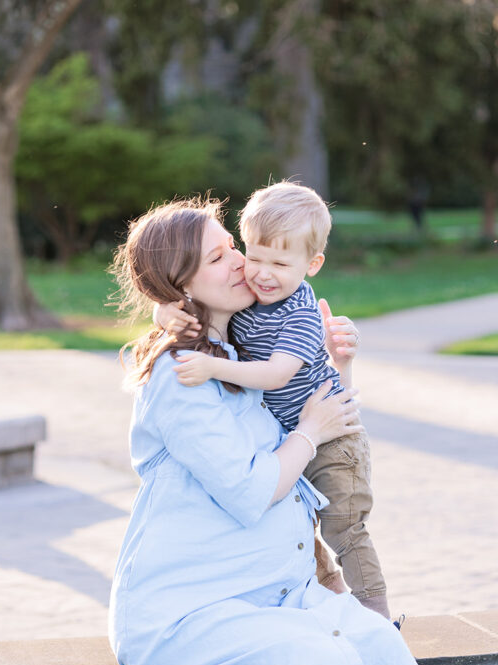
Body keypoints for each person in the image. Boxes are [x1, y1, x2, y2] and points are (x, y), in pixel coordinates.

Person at [109, 197, 424, 665]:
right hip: (190, 611)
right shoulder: (180, 377)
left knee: (380, 651)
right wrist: (311, 429)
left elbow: (319, 419)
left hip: (268, 595)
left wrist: (336, 366)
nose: (241, 263)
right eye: (220, 257)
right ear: (180, 286)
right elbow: (256, 488)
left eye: (233, 247)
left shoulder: (246, 345)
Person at [154, 181, 390, 619]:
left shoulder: (298, 309)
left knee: (344, 527)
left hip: (333, 441)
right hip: (294, 435)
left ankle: (375, 612)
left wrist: (213, 368)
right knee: (296, 527)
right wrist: (164, 309)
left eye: (279, 263)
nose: (260, 272)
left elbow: (279, 373)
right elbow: (184, 296)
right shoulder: (250, 297)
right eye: (254, 256)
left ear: (312, 264)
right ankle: (333, 596)